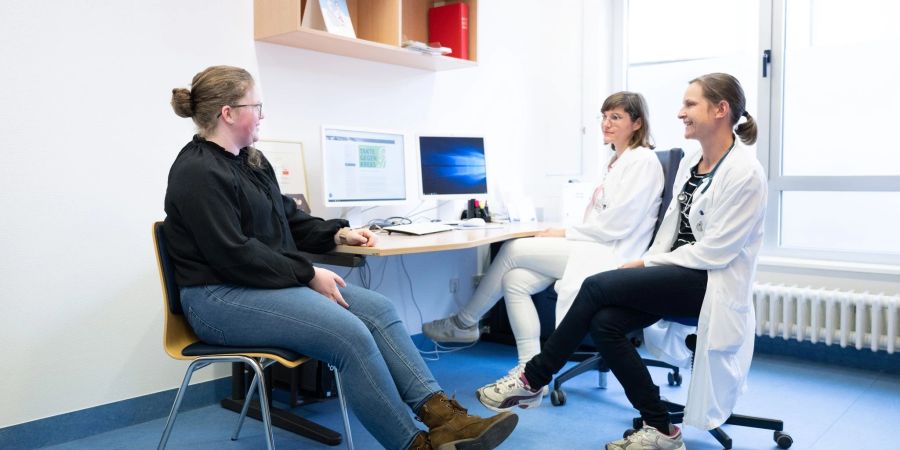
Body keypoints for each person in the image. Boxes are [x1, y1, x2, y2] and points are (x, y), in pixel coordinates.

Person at [164, 65, 518, 450]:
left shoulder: (252, 160)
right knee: (348, 335)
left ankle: (446, 420)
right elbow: (233, 255)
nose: (263, 114)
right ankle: (412, 445)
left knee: (379, 310)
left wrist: (336, 232)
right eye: (257, 105)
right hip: (216, 298)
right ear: (228, 113)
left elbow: (288, 218)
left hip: (258, 284)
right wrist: (307, 273)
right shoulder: (196, 171)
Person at [477, 73, 767, 450]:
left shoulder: (745, 173)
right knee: (605, 324)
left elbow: (717, 251)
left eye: (690, 104)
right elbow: (670, 229)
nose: (681, 113)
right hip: (674, 271)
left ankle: (533, 379)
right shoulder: (693, 161)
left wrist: (646, 265)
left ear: (720, 110)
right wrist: (649, 261)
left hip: (710, 281)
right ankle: (662, 430)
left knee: (596, 285)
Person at [423, 92, 664, 404]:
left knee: (512, 251)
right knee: (515, 280)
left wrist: (562, 232)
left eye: (616, 117)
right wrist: (563, 232)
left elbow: (617, 225)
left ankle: (464, 323)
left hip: (612, 253)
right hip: (595, 245)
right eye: (604, 116)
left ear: (637, 123)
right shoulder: (616, 162)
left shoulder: (642, 161)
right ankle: (529, 374)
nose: (606, 123)